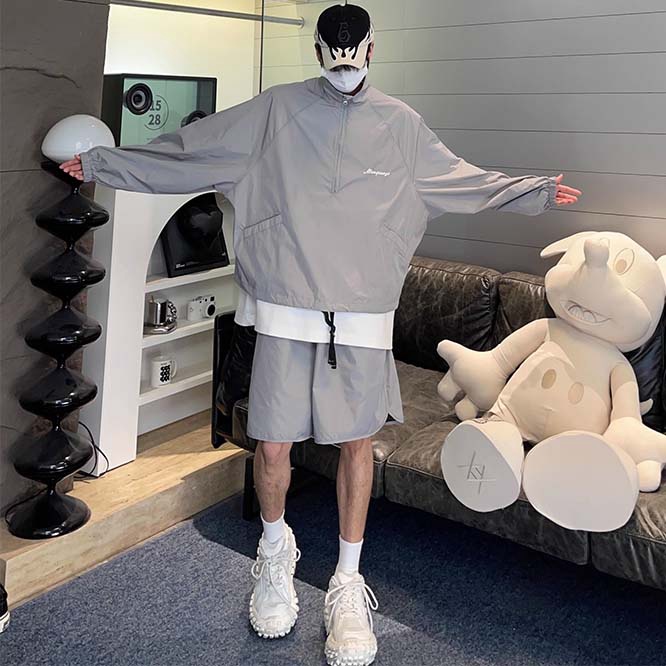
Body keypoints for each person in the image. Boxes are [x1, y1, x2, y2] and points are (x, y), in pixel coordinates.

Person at [60, 4, 581, 664]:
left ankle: (346, 581)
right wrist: (103, 165)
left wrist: (535, 191)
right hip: (284, 308)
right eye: (332, 52)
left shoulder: (401, 126)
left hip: (361, 317)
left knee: (356, 447)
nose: (344, 63)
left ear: (371, 50)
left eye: (353, 51)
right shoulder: (274, 112)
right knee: (272, 445)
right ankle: (275, 554)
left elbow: (463, 180)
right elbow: (191, 151)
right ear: (317, 50)